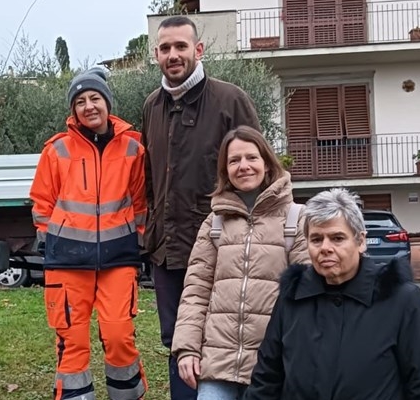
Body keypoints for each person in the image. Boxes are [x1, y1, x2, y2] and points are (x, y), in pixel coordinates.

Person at [142, 15, 261, 400]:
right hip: (167, 253)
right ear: (156, 55)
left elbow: (257, 172)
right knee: (177, 343)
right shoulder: (151, 106)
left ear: (198, 49)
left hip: (221, 249)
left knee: (222, 338)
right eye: (165, 48)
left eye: (181, 46)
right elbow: (150, 178)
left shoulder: (230, 100)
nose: (173, 55)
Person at [243, 188, 420, 400]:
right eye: (316, 239)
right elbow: (267, 379)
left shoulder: (402, 300)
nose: (325, 248)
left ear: (360, 242)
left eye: (337, 238)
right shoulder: (292, 297)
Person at [31, 66, 148, 400]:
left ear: (107, 102)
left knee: (119, 335)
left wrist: (138, 239)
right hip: (67, 263)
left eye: (95, 98)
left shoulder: (133, 148)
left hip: (118, 259)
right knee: (72, 342)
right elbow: (42, 202)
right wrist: (51, 240)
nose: (89, 106)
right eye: (80, 101)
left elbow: (140, 201)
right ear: (73, 110)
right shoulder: (57, 150)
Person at [171, 126, 310, 400]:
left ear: (266, 163)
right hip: (218, 366)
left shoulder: (297, 219)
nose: (243, 166)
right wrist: (187, 348)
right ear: (225, 170)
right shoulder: (214, 223)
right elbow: (196, 292)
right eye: (234, 160)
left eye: (251, 157)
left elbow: (308, 297)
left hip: (272, 367)